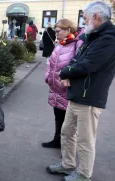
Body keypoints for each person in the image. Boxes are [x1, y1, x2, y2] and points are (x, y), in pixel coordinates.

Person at [46, 1, 115, 181]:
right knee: (67, 131)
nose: (83, 23)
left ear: (96, 17)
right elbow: (75, 59)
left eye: (84, 19)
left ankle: (84, 174)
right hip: (76, 94)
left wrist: (64, 72)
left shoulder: (108, 39)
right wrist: (67, 71)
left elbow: (88, 65)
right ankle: (67, 165)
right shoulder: (91, 37)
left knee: (85, 140)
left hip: (90, 97)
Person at [43, 19, 83, 149]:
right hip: (55, 88)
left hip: (67, 89)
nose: (56, 34)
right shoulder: (60, 44)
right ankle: (57, 141)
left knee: (68, 123)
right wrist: (48, 77)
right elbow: (50, 62)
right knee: (58, 117)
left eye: (58, 31)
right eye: (55, 31)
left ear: (68, 30)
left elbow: (78, 66)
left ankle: (66, 149)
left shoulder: (77, 44)